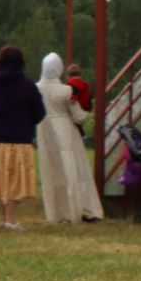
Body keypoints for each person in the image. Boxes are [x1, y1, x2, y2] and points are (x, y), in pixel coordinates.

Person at [0, 46, 47, 231]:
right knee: (15, 180)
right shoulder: (27, 85)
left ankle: (6, 219)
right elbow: (39, 112)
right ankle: (11, 221)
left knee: (2, 178)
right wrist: (26, 123)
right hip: (18, 137)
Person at [36, 53, 102, 223]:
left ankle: (57, 213)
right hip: (66, 133)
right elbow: (79, 117)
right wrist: (87, 111)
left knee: (52, 172)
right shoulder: (66, 90)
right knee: (74, 171)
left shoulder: (36, 88)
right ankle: (82, 209)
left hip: (45, 132)